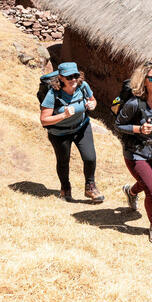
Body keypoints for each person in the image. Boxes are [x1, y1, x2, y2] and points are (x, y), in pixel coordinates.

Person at [115, 61, 152, 244]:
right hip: (135, 153)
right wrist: (138, 129)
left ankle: (131, 192)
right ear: (144, 81)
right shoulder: (134, 103)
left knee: (149, 185)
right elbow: (118, 125)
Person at [39, 61, 105, 203]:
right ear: (61, 78)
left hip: (81, 127)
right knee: (63, 161)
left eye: (75, 75)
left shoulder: (83, 86)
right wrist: (64, 115)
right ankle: (65, 188)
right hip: (60, 133)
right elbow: (44, 120)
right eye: (69, 77)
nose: (73, 79)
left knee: (90, 158)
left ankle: (90, 187)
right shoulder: (53, 93)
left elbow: (92, 100)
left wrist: (92, 104)